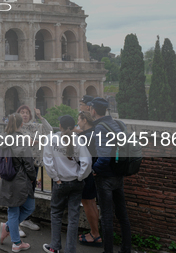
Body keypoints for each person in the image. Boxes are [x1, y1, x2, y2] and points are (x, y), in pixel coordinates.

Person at [42, 115, 92, 253]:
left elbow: (48, 161)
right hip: (75, 182)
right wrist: (80, 176)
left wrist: (56, 178)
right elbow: (87, 162)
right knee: (73, 217)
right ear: (74, 126)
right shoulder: (78, 140)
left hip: (61, 182)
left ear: (60, 125)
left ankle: (55, 246)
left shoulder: (52, 139)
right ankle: (70, 250)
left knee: (56, 213)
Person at [88, 97, 132, 253]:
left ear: (93, 110)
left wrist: (95, 170)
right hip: (118, 174)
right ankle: (126, 249)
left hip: (105, 177)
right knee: (122, 214)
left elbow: (105, 156)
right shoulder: (118, 124)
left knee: (107, 217)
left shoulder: (100, 127)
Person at [0, 113, 36, 252]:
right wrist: (32, 177)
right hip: (20, 179)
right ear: (21, 125)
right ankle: (16, 242)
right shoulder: (21, 140)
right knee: (28, 207)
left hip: (7, 177)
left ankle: (8, 227)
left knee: (14, 210)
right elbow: (28, 163)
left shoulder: (2, 137)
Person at [16, 105, 52, 233]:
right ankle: (17, 223)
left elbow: (49, 130)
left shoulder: (36, 126)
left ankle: (25, 219)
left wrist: (41, 117)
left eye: (27, 113)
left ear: (30, 115)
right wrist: (39, 140)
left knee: (30, 191)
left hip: (34, 163)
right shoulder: (17, 128)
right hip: (21, 164)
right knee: (21, 191)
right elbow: (29, 141)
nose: (24, 115)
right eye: (22, 112)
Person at [77, 110, 102, 247]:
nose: (78, 122)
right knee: (92, 203)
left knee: (87, 203)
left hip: (87, 173)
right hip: (95, 171)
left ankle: (95, 234)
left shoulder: (84, 137)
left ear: (85, 120)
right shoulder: (95, 132)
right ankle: (95, 232)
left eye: (79, 120)